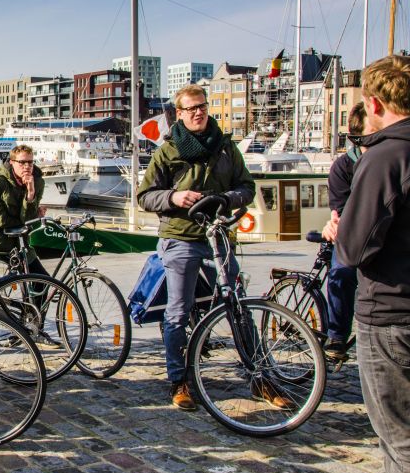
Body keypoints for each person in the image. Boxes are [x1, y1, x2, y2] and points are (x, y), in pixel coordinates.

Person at [136, 84, 285, 412]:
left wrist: (228, 199)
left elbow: (246, 186)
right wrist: (174, 197)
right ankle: (179, 379)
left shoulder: (226, 147)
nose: (198, 112)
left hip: (219, 235)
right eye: (190, 109)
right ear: (180, 113)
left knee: (238, 305)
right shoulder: (168, 151)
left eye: (201, 106)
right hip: (182, 235)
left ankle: (258, 375)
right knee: (178, 310)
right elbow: (145, 196)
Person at [336, 55, 410, 473]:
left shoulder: (385, 156)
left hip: (391, 310)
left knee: (398, 430)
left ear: (375, 102)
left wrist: (341, 226)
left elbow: (354, 248)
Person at [319, 101, 367, 362]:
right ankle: (337, 335)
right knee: (342, 273)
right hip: (351, 234)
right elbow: (340, 211)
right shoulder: (343, 167)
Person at [0, 144, 49, 278]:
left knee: (42, 281)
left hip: (19, 241)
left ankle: (30, 299)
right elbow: (0, 220)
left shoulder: (37, 182)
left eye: (30, 162)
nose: (27, 166)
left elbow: (29, 220)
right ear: (12, 162)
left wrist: (30, 193)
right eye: (22, 162)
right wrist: (28, 220)